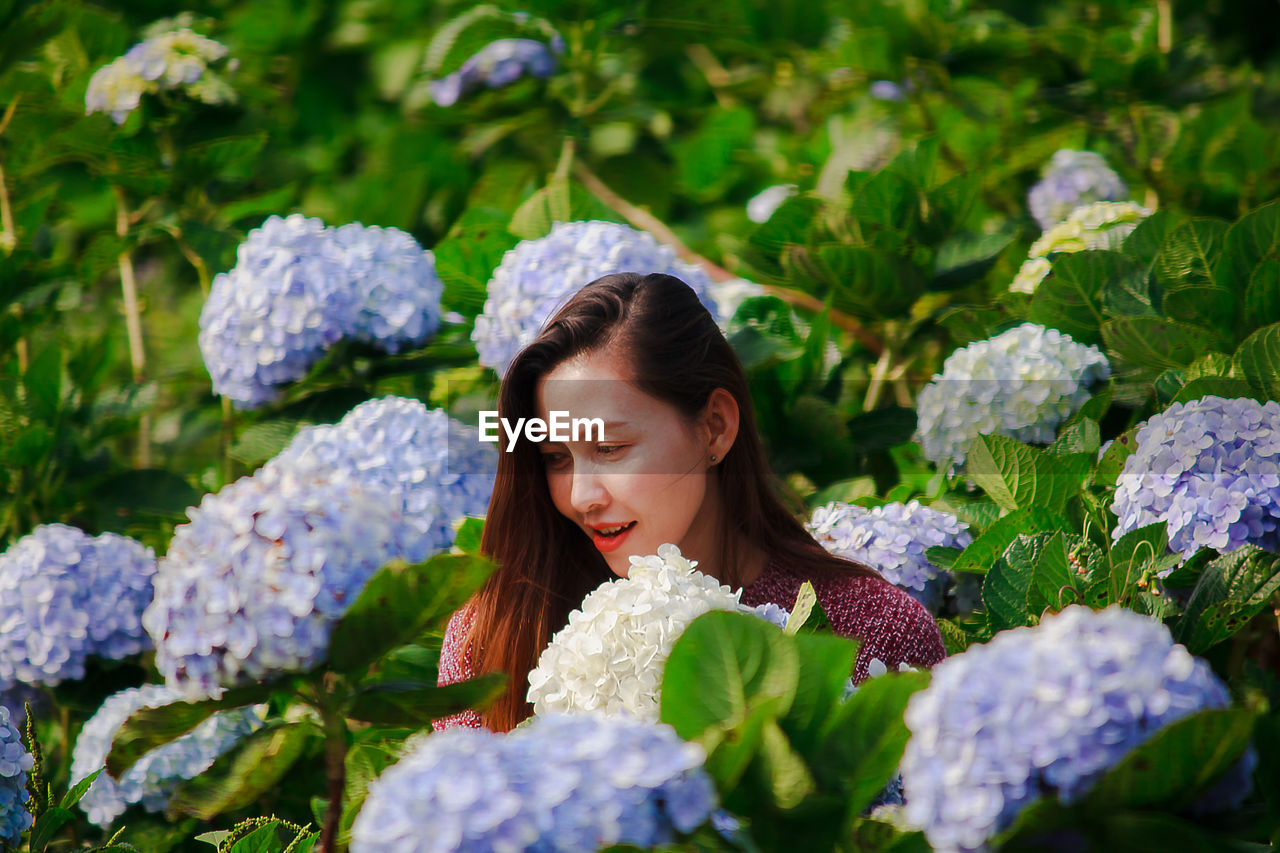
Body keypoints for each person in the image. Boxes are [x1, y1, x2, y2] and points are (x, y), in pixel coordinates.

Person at [436, 272, 945, 732]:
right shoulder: (492, 637)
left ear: (714, 429)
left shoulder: (873, 630)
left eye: (610, 449)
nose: (581, 496)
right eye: (555, 457)